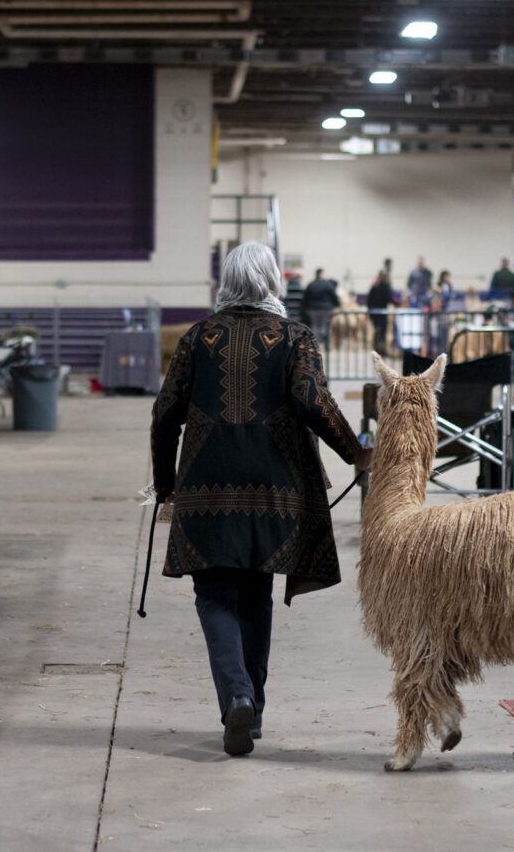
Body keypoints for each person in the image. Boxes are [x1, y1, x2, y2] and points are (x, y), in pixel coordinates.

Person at [151, 241, 372, 757]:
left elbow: (164, 416)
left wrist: (166, 485)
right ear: (274, 280)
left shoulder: (196, 338)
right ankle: (252, 714)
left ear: (225, 282)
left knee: (214, 595)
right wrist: (354, 452)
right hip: (277, 492)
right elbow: (313, 401)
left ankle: (237, 697)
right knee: (256, 594)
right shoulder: (295, 337)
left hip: (205, 489)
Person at [302, 268, 340, 349]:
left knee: (315, 326)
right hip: (326, 308)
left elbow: (306, 297)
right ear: (322, 274)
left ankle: (315, 345)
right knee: (325, 327)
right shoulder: (328, 284)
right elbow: (334, 296)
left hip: (312, 308)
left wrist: (305, 308)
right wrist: (336, 305)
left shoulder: (311, 284)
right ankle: (327, 346)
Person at [366, 270, 396, 356]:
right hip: (382, 313)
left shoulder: (374, 287)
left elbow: (369, 300)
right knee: (382, 331)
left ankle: (376, 348)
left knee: (376, 331)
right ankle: (381, 349)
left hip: (374, 312)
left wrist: (369, 311)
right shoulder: (386, 288)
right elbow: (390, 299)